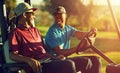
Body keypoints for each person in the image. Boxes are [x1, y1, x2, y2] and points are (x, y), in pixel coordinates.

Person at [8, 2, 77, 73]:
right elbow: (12, 55)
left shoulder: (35, 30)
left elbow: (43, 51)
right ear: (25, 15)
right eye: (32, 14)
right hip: (38, 66)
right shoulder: (15, 32)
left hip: (48, 60)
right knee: (69, 64)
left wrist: (55, 57)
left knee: (83, 61)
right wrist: (29, 60)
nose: (34, 16)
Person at [45, 6, 102, 73]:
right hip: (55, 61)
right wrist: (77, 48)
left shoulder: (67, 28)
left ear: (65, 15)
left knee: (96, 60)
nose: (58, 17)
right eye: (56, 15)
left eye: (60, 14)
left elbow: (81, 34)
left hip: (64, 59)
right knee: (85, 61)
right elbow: (60, 52)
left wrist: (91, 33)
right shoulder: (52, 32)